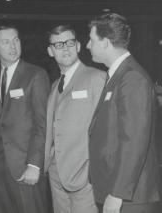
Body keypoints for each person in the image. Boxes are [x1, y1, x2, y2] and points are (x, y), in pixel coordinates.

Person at [86, 13, 161, 213]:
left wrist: (118, 192)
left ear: (105, 43)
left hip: (131, 197)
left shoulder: (132, 78)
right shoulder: (119, 75)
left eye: (92, 40)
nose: (87, 45)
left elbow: (134, 140)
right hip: (120, 191)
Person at [0, 25, 50, 213]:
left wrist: (34, 164)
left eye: (16, 40)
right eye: (6, 42)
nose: (13, 46)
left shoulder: (35, 75)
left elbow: (42, 123)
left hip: (25, 167)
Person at [44, 25, 106, 213]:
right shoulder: (55, 85)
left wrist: (93, 171)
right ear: (50, 51)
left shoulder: (97, 78)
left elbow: (105, 131)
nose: (65, 48)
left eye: (70, 42)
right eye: (59, 44)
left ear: (78, 46)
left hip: (85, 177)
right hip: (57, 175)